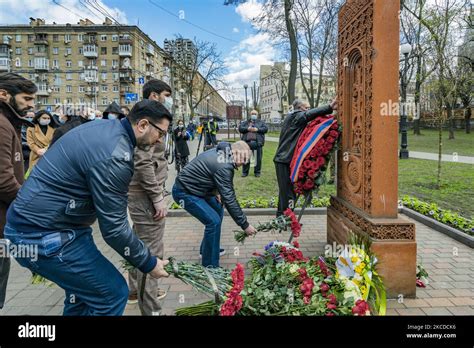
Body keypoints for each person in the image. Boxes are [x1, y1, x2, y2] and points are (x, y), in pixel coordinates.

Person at [5, 100, 172, 316]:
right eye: (160, 133)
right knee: (112, 293)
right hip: (42, 234)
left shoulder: (107, 129)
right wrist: (148, 263)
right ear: (142, 125)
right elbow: (114, 229)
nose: (160, 140)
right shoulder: (115, 155)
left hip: (53, 226)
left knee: (83, 298)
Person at [172, 141, 257, 267]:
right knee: (213, 221)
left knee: (218, 209)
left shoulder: (223, 152)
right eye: (244, 158)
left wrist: (215, 191)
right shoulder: (225, 166)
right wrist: (244, 224)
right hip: (184, 192)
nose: (244, 162)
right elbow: (229, 199)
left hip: (199, 189)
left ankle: (207, 250)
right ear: (235, 152)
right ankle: (210, 266)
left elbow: (210, 174)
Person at [127, 79, 172, 315]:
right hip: (146, 193)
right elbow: (142, 161)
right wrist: (157, 196)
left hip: (142, 192)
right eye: (165, 94)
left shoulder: (142, 117)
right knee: (153, 251)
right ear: (154, 96)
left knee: (139, 244)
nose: (168, 99)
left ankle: (135, 290)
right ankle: (151, 307)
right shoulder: (148, 123)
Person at [0, 72, 37, 309]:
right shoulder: (1, 125)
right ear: (3, 95)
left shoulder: (7, 122)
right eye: (26, 99)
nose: (31, 105)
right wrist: (31, 208)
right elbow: (3, 180)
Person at [273, 98, 337, 217]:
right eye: (306, 108)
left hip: (285, 159)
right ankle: (287, 218)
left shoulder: (293, 118)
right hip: (283, 160)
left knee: (285, 192)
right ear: (300, 108)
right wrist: (329, 107)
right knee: (288, 193)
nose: (308, 110)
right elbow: (308, 115)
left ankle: (281, 217)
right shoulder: (295, 117)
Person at [239, 110, 268, 177]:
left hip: (257, 143)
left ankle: (257, 172)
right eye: (252, 113)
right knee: (246, 158)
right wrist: (247, 129)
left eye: (255, 114)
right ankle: (245, 172)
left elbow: (265, 129)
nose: (253, 115)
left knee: (258, 159)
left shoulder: (261, 122)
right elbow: (240, 128)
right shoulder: (246, 122)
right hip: (247, 143)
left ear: (257, 115)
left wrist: (257, 129)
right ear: (250, 114)